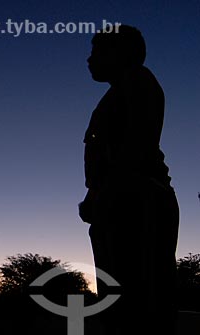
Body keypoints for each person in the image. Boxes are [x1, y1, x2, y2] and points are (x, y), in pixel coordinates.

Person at [79, 25, 180, 335]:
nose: (89, 59)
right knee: (118, 297)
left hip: (136, 199)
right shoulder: (115, 94)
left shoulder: (137, 81)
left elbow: (136, 144)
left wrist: (101, 194)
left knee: (139, 295)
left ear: (120, 52)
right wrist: (94, 196)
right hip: (118, 201)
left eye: (97, 50)